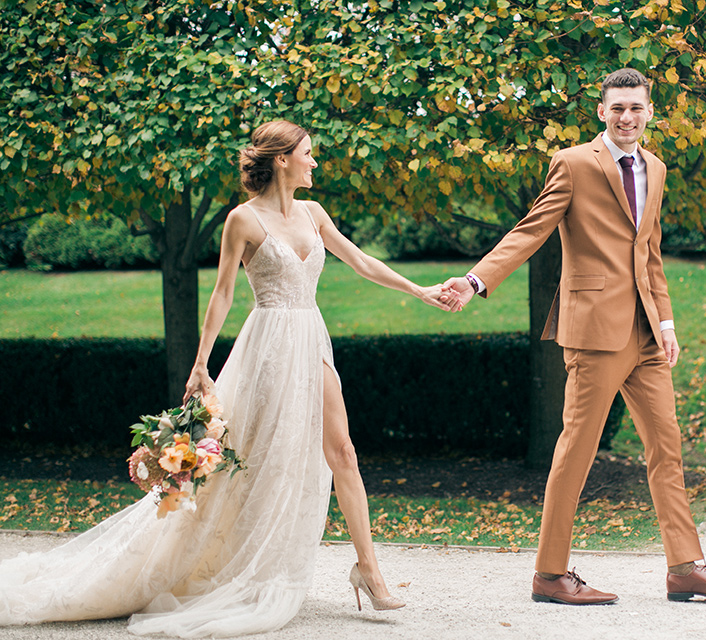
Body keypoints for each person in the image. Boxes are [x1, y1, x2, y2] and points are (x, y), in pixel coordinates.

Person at [0, 120, 458, 637]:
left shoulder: (313, 213)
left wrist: (421, 291)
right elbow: (221, 294)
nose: (315, 162)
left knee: (343, 452)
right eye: (308, 154)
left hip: (312, 341)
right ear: (282, 159)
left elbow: (360, 261)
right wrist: (201, 363)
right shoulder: (242, 220)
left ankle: (369, 572)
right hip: (266, 348)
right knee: (250, 463)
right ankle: (229, 562)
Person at [440, 69, 706, 604]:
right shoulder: (573, 163)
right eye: (617, 108)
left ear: (650, 112)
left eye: (636, 107)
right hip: (592, 331)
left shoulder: (655, 167)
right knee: (577, 450)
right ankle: (550, 573)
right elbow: (531, 230)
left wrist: (668, 321)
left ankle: (684, 567)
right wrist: (475, 281)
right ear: (601, 112)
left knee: (666, 448)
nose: (627, 117)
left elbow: (648, 251)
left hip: (647, 333)